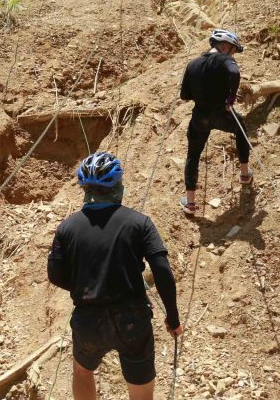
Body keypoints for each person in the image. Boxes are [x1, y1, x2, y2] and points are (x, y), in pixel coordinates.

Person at [48, 152, 182, 400]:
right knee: (140, 385)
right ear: (118, 185)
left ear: (85, 190)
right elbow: (162, 270)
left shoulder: (67, 227)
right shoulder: (140, 223)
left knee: (83, 370)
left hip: (88, 318)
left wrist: (85, 287)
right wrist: (172, 319)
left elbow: (55, 274)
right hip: (132, 318)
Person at [179, 29, 251, 215]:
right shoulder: (224, 59)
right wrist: (230, 98)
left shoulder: (192, 64)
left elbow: (184, 95)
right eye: (233, 50)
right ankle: (244, 174)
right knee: (241, 128)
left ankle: (191, 203)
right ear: (225, 46)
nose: (233, 54)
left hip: (199, 117)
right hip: (221, 113)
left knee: (193, 155)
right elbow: (234, 73)